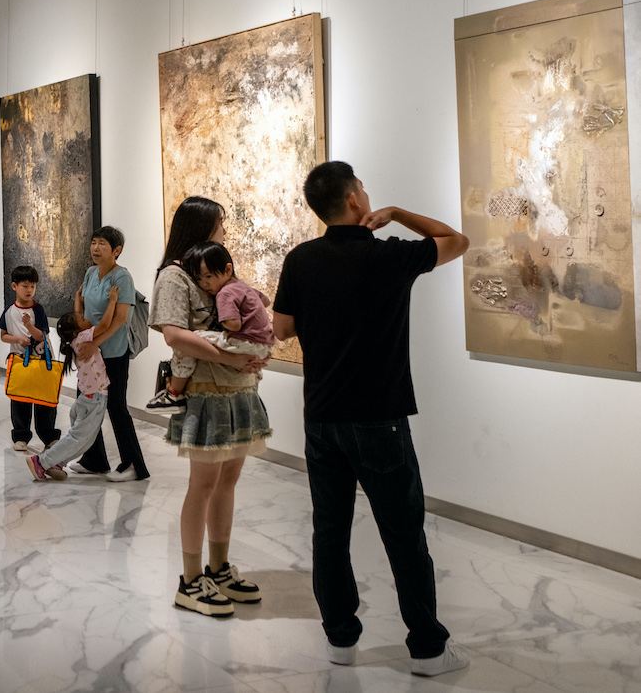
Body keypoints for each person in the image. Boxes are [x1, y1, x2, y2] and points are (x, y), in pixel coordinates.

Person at [272, 161, 471, 676]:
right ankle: (427, 649)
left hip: (322, 417)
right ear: (354, 200)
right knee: (404, 535)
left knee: (329, 530)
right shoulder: (389, 256)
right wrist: (397, 213)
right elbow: (457, 240)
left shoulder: (300, 259)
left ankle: (340, 640)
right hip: (380, 418)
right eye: (362, 188)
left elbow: (282, 329)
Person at [149, 197, 270, 617]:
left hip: (240, 389)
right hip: (205, 391)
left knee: (227, 480)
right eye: (220, 223)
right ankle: (189, 580)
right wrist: (231, 359)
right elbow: (174, 336)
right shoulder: (175, 276)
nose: (225, 231)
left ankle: (218, 568)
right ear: (201, 226)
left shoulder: (215, 269)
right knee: (203, 483)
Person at [150, 242, 277, 412]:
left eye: (208, 277)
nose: (204, 283)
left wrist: (224, 321)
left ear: (228, 270)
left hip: (242, 344)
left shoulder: (224, 293)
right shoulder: (243, 287)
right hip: (263, 345)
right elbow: (266, 301)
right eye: (199, 279)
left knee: (191, 340)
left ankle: (173, 393)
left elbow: (234, 325)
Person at [65, 227, 145, 482]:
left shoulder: (122, 277)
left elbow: (121, 319)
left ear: (116, 250)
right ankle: (94, 459)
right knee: (86, 404)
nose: (95, 248)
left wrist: (95, 343)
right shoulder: (91, 273)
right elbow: (85, 309)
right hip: (91, 352)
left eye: (102, 244)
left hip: (113, 351)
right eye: (93, 242)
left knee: (116, 406)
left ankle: (133, 464)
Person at [25, 291, 122, 481]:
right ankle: (41, 462)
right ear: (77, 331)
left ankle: (56, 462)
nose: (88, 318)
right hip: (93, 399)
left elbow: (77, 318)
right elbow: (104, 325)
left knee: (84, 441)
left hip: (87, 399)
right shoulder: (85, 337)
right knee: (79, 439)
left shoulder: (75, 340)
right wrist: (112, 302)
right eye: (83, 319)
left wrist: (78, 298)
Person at [0, 265, 61, 451]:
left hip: (42, 361)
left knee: (44, 400)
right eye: (25, 286)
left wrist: (29, 326)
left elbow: (41, 335)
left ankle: (49, 436)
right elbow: (3, 336)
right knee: (20, 398)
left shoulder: (38, 309)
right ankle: (21, 436)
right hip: (20, 361)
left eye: (32, 286)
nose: (29, 290)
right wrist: (18, 339)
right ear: (14, 286)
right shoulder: (9, 311)